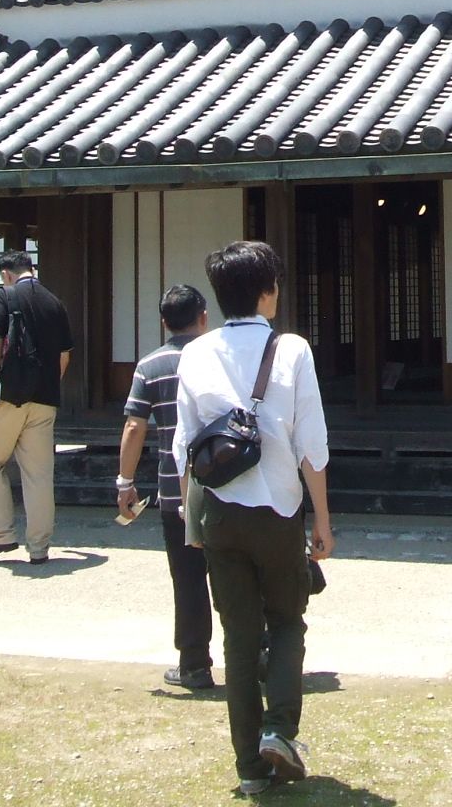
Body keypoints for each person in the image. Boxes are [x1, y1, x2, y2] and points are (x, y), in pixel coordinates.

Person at [173, 241, 332, 796]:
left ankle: (250, 769)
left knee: (238, 639)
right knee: (287, 621)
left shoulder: (196, 353)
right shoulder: (292, 350)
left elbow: (184, 447)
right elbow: (312, 443)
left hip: (220, 512)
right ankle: (278, 730)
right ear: (268, 291)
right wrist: (323, 519)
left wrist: (192, 522)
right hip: (278, 509)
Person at [118, 285, 215, 690]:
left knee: (188, 580)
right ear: (203, 317)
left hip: (176, 491)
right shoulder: (219, 359)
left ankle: (194, 664)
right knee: (238, 576)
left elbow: (134, 426)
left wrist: (125, 482)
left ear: (164, 322)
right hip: (228, 486)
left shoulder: (150, 366)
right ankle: (256, 656)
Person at [0, 251, 73, 565]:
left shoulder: (4, 296)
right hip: (45, 399)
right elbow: (64, 355)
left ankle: (2, 536)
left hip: (9, 396)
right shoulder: (54, 303)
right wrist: (47, 384)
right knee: (38, 476)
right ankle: (39, 549)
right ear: (32, 269)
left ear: (6, 274)